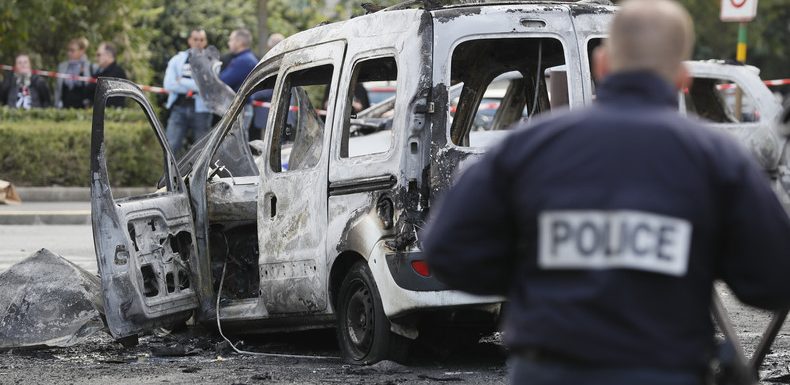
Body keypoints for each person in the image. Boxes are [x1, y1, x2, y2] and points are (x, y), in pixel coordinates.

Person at [421, 1, 790, 384]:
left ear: (602, 65)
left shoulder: (528, 148)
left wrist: (534, 275)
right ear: (682, 79)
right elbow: (774, 280)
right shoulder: (718, 161)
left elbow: (448, 251)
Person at [163, 28, 211, 155]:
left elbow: (207, 86)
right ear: (190, 41)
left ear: (205, 42)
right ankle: (170, 175)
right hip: (179, 108)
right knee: (170, 148)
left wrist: (181, 81)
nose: (198, 43)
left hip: (201, 111)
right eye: (195, 39)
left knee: (202, 152)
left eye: (201, 40)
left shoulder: (211, 61)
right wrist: (195, 84)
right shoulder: (177, 59)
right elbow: (169, 85)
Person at [55, 37, 96, 109]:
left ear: (82, 51)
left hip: (83, 108)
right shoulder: (62, 66)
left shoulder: (90, 67)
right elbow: (58, 89)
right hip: (64, 107)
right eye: (68, 50)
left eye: (72, 50)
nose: (69, 53)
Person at [89, 42, 128, 108]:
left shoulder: (118, 73)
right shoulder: (101, 72)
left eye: (99, 55)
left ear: (108, 55)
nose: (96, 58)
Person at [219, 28, 258, 92]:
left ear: (239, 42)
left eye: (231, 40)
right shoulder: (248, 58)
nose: (229, 43)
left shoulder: (242, 61)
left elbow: (222, 82)